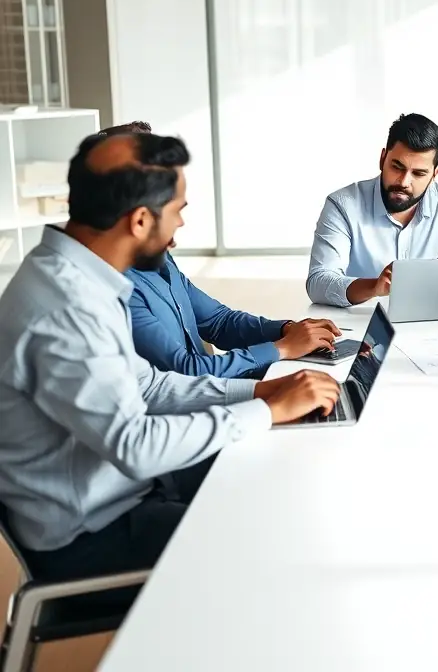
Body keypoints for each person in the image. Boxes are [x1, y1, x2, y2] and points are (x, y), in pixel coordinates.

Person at [0, 130, 341, 606]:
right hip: (93, 535)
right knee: (281, 540)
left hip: (125, 492)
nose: (182, 221)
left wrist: (260, 395)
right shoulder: (67, 309)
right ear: (141, 220)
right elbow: (134, 445)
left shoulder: (84, 276)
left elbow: (147, 385)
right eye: (178, 208)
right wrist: (265, 411)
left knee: (285, 478)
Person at [100, 122, 343, 378]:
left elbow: (218, 322)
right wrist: (281, 349)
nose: (179, 220)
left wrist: (287, 330)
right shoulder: (115, 285)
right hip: (202, 404)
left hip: (222, 387)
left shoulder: (158, 257)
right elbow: (187, 371)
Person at [307, 113, 438, 308]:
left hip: (435, 324)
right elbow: (319, 282)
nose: (404, 182)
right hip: (362, 326)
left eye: (419, 173)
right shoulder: (342, 205)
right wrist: (374, 287)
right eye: (397, 167)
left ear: (434, 175)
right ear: (382, 159)